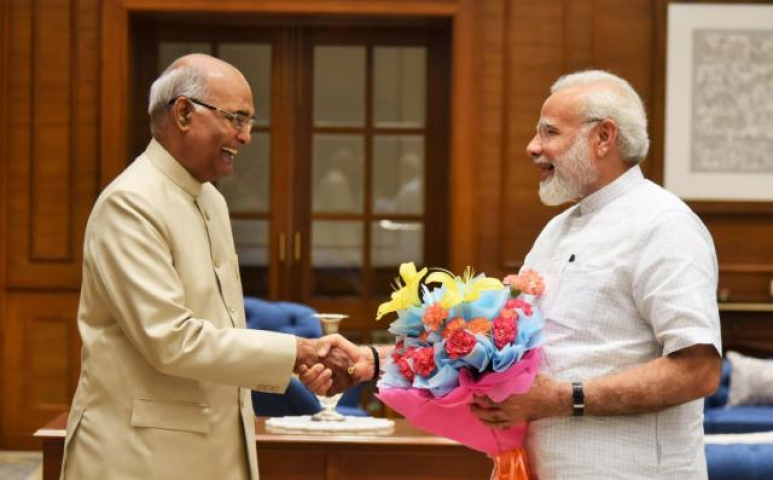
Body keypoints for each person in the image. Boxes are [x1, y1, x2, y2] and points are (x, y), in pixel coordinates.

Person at [61, 54, 351, 480]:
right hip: (141, 457)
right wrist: (295, 352)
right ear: (183, 113)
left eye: (250, 122)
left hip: (213, 449)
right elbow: (170, 339)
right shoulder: (131, 204)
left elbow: (221, 328)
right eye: (236, 118)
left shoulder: (210, 200)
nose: (247, 136)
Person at [469, 70, 722, 479]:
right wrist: (374, 360)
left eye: (550, 132)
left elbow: (699, 370)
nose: (533, 147)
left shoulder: (666, 224)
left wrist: (564, 398)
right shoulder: (556, 229)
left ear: (603, 137)